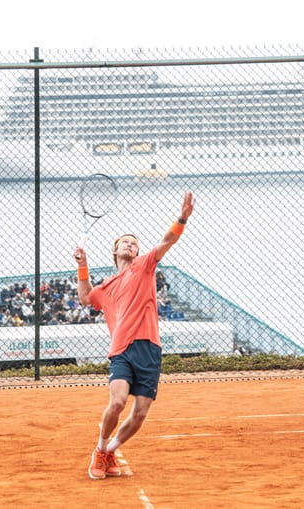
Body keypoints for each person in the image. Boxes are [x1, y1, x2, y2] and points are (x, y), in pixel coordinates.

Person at [74, 190, 194, 480]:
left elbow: (168, 240)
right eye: (124, 242)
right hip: (121, 350)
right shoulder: (105, 286)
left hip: (150, 349)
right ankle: (100, 449)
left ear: (138, 253)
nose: (130, 244)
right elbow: (85, 298)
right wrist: (81, 265)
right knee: (117, 402)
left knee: (140, 412)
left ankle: (111, 450)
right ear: (115, 251)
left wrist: (181, 219)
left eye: (134, 243)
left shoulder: (145, 265)